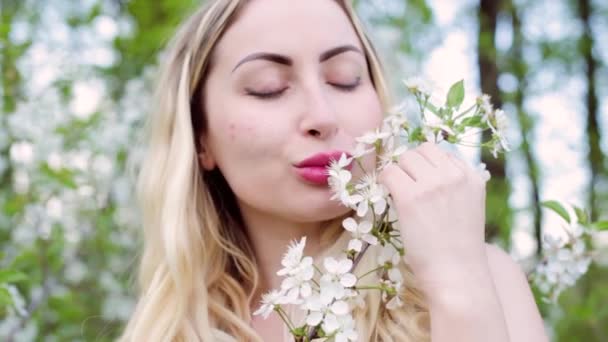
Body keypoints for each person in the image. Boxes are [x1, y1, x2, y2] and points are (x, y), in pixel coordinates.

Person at [119, 0, 549, 341]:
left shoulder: (484, 278)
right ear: (201, 138)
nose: (321, 116)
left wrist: (457, 289)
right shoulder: (171, 328)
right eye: (267, 88)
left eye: (345, 79)